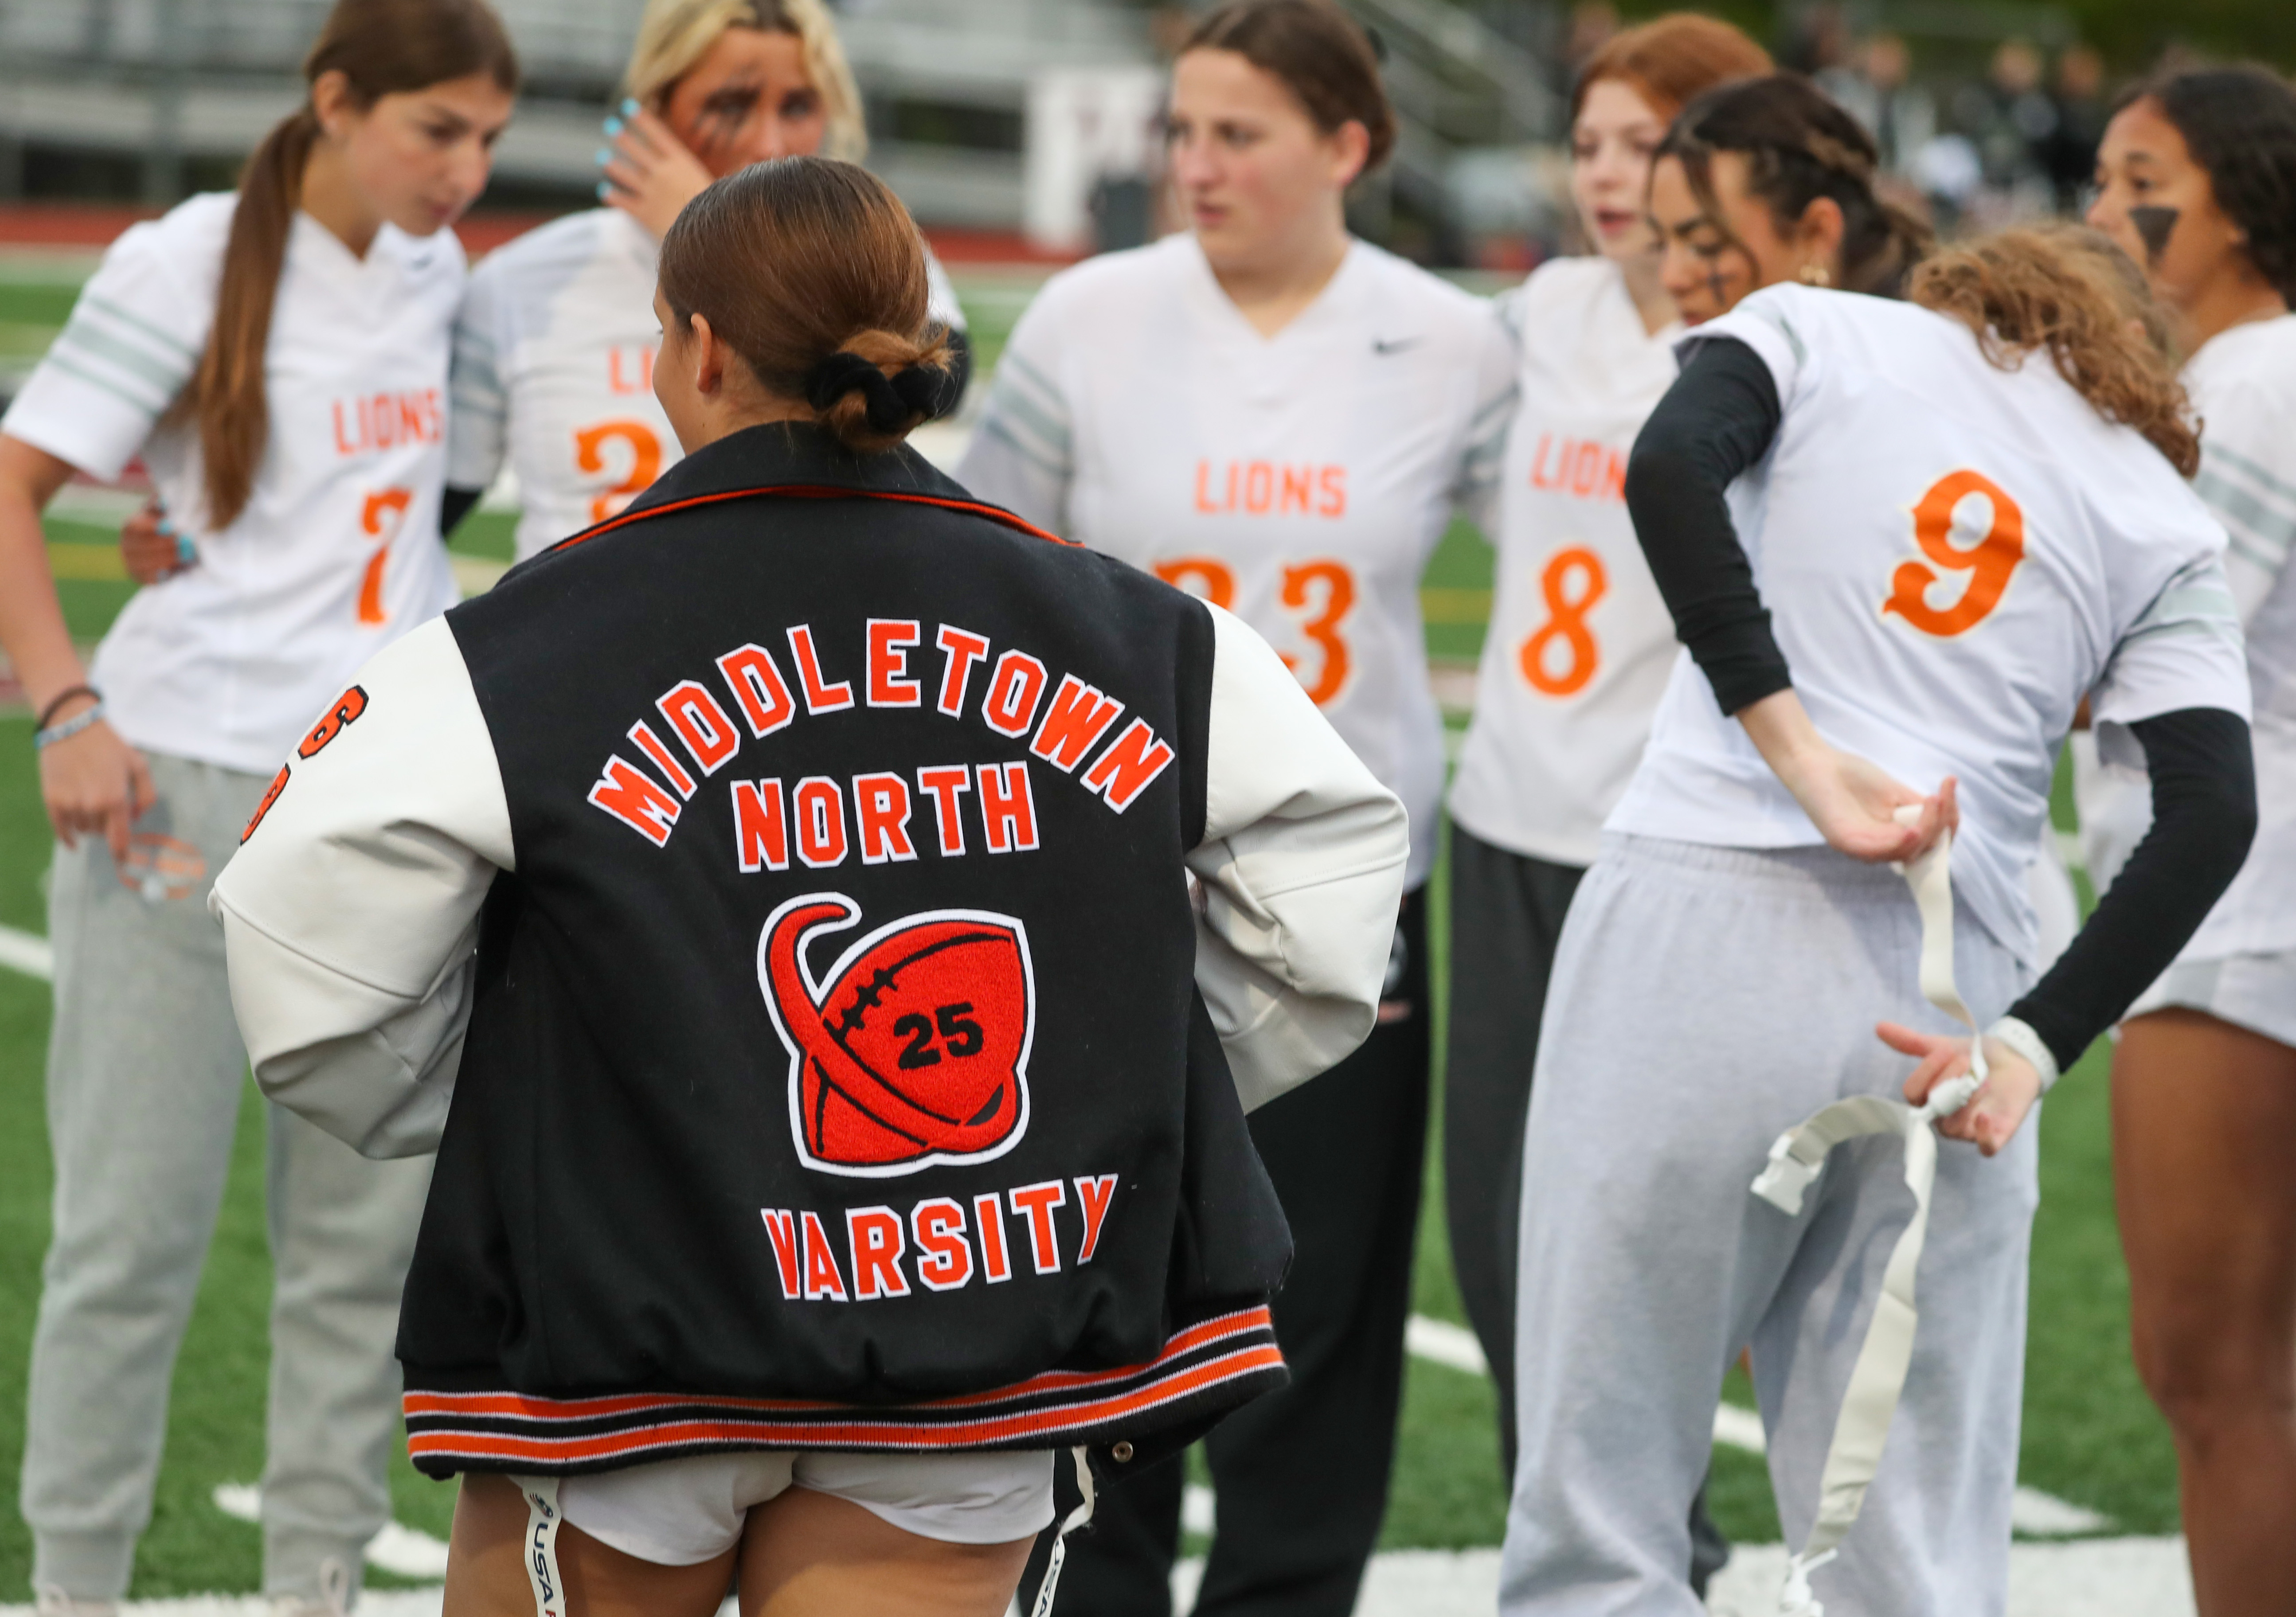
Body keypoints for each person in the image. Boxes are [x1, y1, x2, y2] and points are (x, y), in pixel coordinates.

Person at [211, 153, 1409, 1617]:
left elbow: (299, 941)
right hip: (976, 1316)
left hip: (629, 1334)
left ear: (697, 348)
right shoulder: (1126, 619)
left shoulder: (528, 637)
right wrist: (1104, 1078)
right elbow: (1339, 883)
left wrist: (537, 1104)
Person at [1500, 80, 2257, 1617]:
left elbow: (1665, 471)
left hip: (1698, 909)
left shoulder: (1821, 325)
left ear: (1965, 285)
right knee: (1904, 1552)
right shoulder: (2149, 498)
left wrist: (1786, 738)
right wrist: (2037, 1046)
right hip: (1948, 983)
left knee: (1600, 1505)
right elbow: (2210, 808)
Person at [956, 3, 1513, 1611]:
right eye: (1178, 130)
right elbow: (990, 572)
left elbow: (1571, 552)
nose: (1192, 165)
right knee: (1103, 1280)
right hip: (1113, 886)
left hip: (1340, 891)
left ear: (1346, 146)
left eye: (1236, 133)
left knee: (1321, 1304)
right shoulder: (1087, 319)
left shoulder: (1453, 342)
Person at [0, 4, 517, 1613]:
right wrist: (69, 707)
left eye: (490, 136)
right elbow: (14, 482)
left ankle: (314, 1587)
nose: (468, 169)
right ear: (335, 101)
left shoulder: (441, 275)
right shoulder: (186, 259)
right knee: (129, 1244)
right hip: (180, 778)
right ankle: (75, 1584)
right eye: (436, 128)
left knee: (361, 1253)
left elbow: (394, 514)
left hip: (385, 798)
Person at [1442, 21, 1769, 1546]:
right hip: (1506, 817)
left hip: (1667, 851)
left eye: (1641, 145)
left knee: (1650, 1233)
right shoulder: (1531, 317)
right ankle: (1560, 1538)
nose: (1605, 177)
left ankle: (1661, 1541)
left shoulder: (1761, 341)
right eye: (1583, 145)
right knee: (1500, 1231)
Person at [2084, 64, 2296, 1617]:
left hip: (2234, 920)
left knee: (2214, 1374)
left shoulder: (2240, 389)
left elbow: (2139, 655)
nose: (2102, 211)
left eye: (2135, 176)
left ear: (2236, 199)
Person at [444, 0, 970, 562]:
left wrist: (715, 232)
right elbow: (439, 503)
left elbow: (945, 378)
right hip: (586, 627)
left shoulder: (866, 247)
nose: (768, 143)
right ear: (654, 106)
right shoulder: (525, 280)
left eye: (798, 106)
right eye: (731, 104)